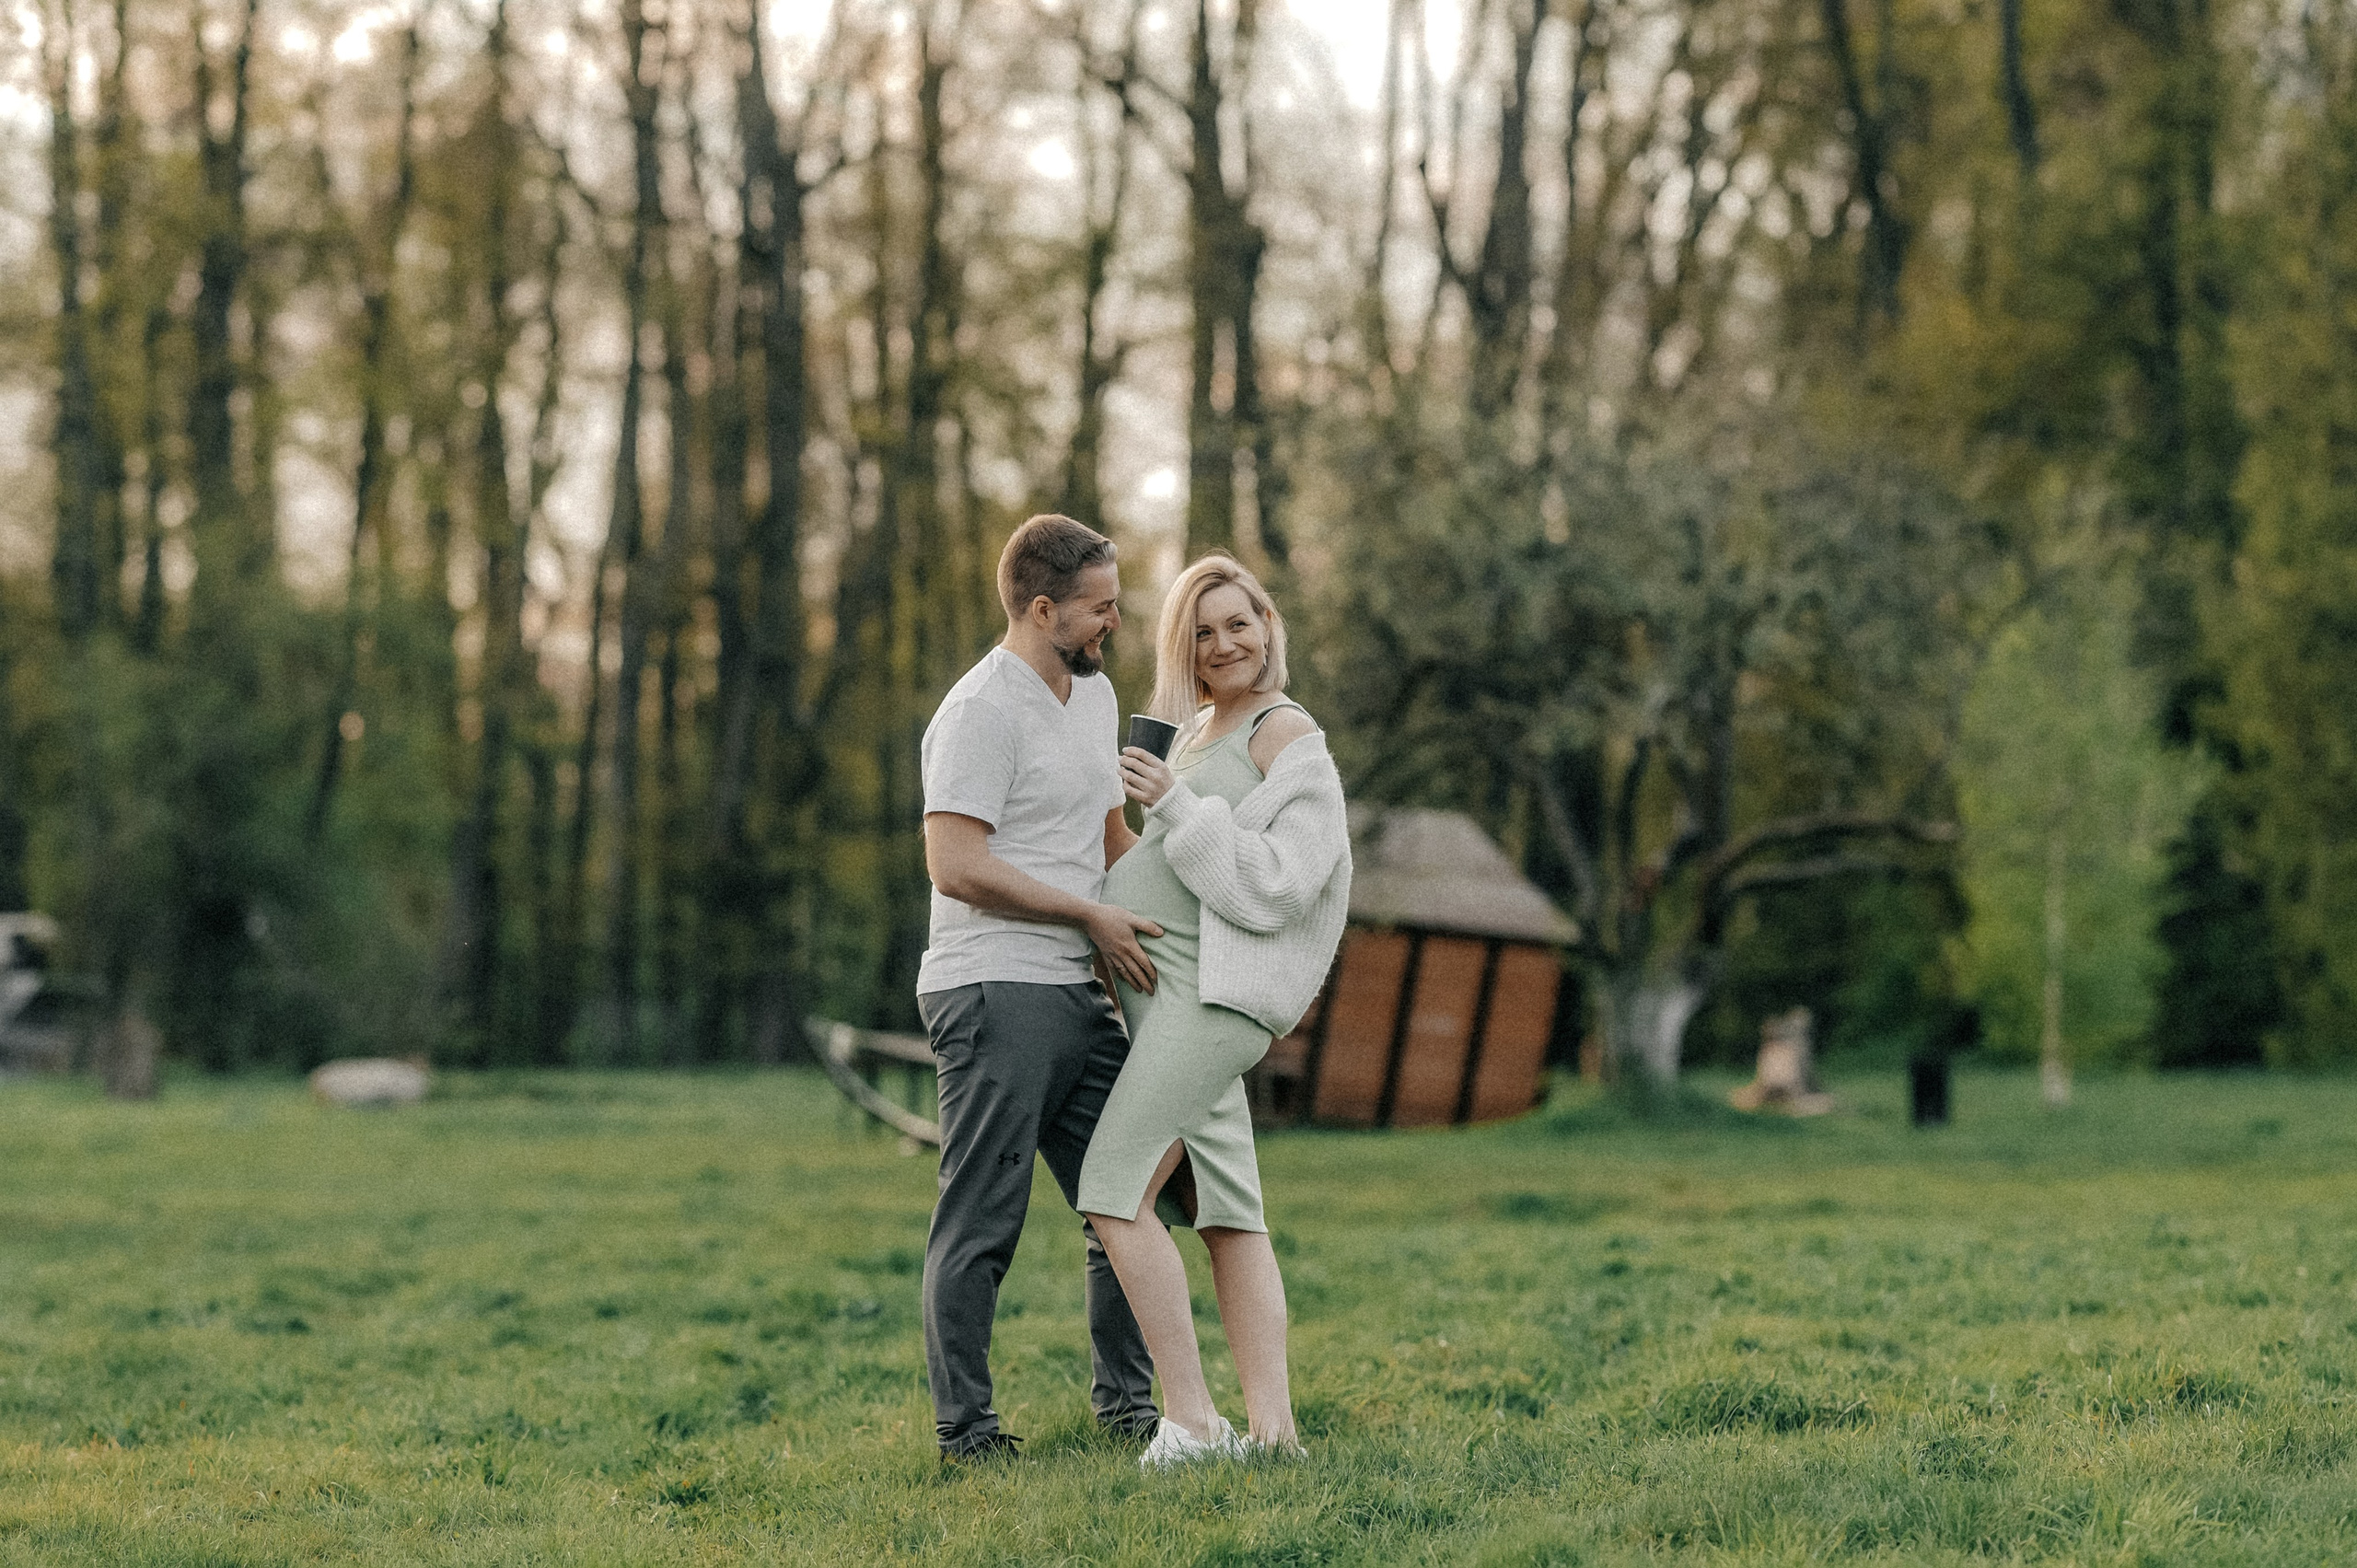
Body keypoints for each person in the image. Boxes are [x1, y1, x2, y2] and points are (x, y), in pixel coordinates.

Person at [1077, 552, 1353, 1468]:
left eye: (1239, 622)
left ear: (1268, 625)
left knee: (1112, 1186)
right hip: (1166, 999)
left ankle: (1193, 1423)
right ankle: (1275, 1435)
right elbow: (1159, 854)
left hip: (1213, 995)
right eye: (1202, 629)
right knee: (1231, 1211)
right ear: (1182, 648)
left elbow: (1282, 881)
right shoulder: (1192, 731)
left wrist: (1178, 806)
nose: (1224, 642)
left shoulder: (1286, 732)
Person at [914, 513, 1168, 1462]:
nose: (1112, 622)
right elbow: (954, 861)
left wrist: (1184, 890)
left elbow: (1107, 839)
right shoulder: (980, 711)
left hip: (1077, 986)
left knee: (1127, 1189)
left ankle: (1129, 1406)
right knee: (984, 1215)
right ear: (1041, 606)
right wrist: (1086, 916)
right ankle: (968, 1432)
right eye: (1099, 607)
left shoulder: (1092, 698)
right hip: (992, 989)